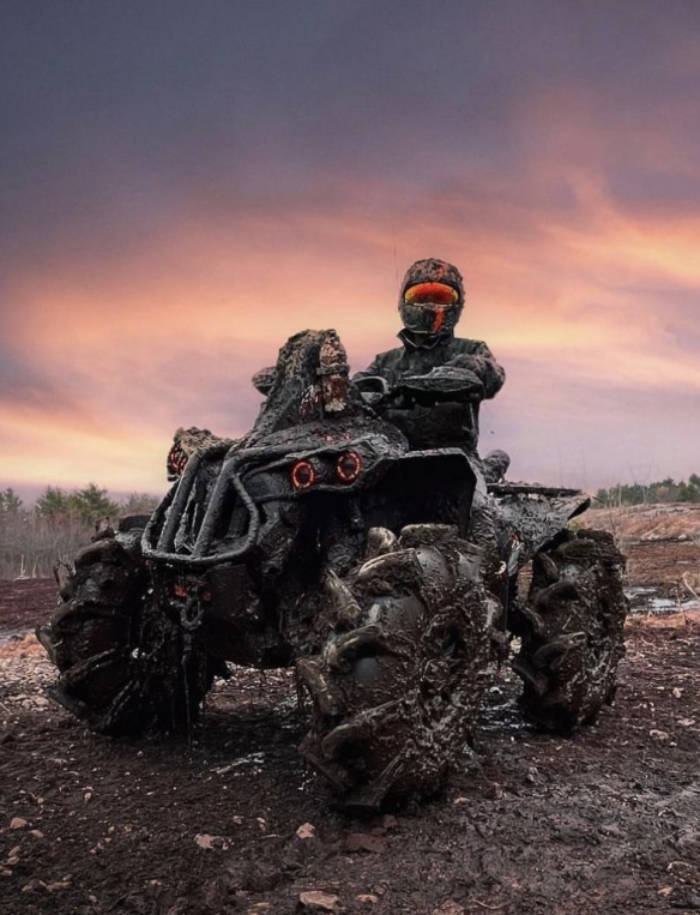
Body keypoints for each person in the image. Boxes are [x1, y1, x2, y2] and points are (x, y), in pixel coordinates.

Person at [353, 257, 505, 458]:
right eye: (420, 297)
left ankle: (490, 468)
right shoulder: (385, 361)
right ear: (403, 302)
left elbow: (494, 375)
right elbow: (356, 389)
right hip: (390, 458)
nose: (430, 305)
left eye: (441, 298)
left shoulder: (471, 349)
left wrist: (470, 368)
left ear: (456, 304)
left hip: (454, 459)